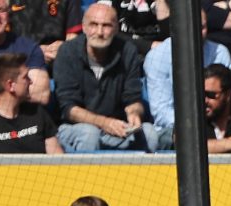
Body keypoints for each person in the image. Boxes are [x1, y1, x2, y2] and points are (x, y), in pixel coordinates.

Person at [53, 3, 157, 152]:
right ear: (84, 27)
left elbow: (133, 98)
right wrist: (104, 123)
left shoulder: (127, 51)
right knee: (90, 133)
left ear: (116, 29)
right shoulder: (68, 52)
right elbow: (69, 110)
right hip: (74, 128)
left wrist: (134, 113)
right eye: (94, 25)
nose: (100, 32)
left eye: (106, 26)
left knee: (149, 134)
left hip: (116, 127)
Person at [145, 8, 231, 148]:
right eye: (191, 27)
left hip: (215, 124)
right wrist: (194, 125)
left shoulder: (220, 53)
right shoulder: (157, 57)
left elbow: (225, 100)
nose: (197, 33)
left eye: (202, 27)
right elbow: (161, 113)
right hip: (173, 128)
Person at [0, 52, 61, 153]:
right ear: (10, 85)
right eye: (26, 77)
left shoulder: (37, 112)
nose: (31, 81)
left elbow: (58, 159)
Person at [0, 0, 50, 105]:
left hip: (22, 117)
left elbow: (41, 94)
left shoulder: (28, 48)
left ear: (8, 15)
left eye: (0, 10)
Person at [6, 0, 81, 66]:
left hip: (56, 59)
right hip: (19, 60)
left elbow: (73, 39)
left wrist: (64, 48)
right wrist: (35, 52)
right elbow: (1, 42)